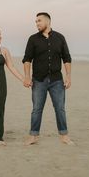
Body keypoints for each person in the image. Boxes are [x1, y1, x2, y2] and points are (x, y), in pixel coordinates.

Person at [22, 12, 74, 145]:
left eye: (39, 21)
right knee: (37, 109)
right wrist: (27, 76)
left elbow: (66, 58)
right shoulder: (33, 39)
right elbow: (27, 59)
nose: (37, 23)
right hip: (39, 80)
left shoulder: (60, 38)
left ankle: (64, 136)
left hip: (57, 80)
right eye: (36, 21)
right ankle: (33, 136)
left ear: (48, 21)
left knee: (60, 108)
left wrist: (68, 76)